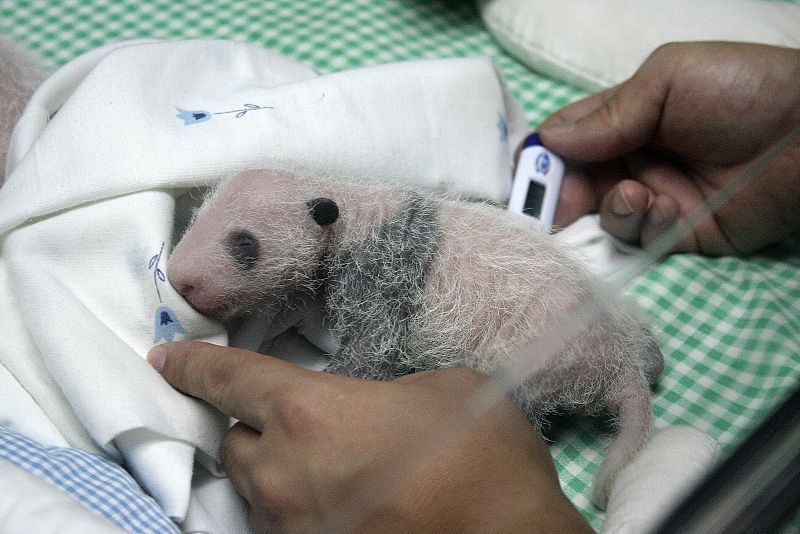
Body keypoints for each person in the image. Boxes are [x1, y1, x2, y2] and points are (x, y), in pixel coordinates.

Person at [148, 41, 800, 533]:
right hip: (593, 337)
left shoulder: (375, 248)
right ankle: (634, 375)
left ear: (322, 221)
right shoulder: (367, 216)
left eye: (242, 247)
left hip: (546, 364)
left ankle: (614, 395)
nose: (192, 269)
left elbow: (365, 362)